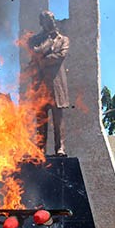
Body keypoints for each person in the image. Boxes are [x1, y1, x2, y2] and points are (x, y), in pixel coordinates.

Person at [28, 10, 70, 157]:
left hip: (56, 84)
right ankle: (40, 150)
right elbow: (36, 53)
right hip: (40, 85)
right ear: (42, 23)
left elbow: (60, 56)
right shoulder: (34, 40)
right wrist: (48, 40)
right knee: (41, 120)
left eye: (53, 19)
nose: (52, 22)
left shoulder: (63, 39)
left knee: (58, 120)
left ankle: (60, 148)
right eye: (48, 20)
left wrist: (43, 61)